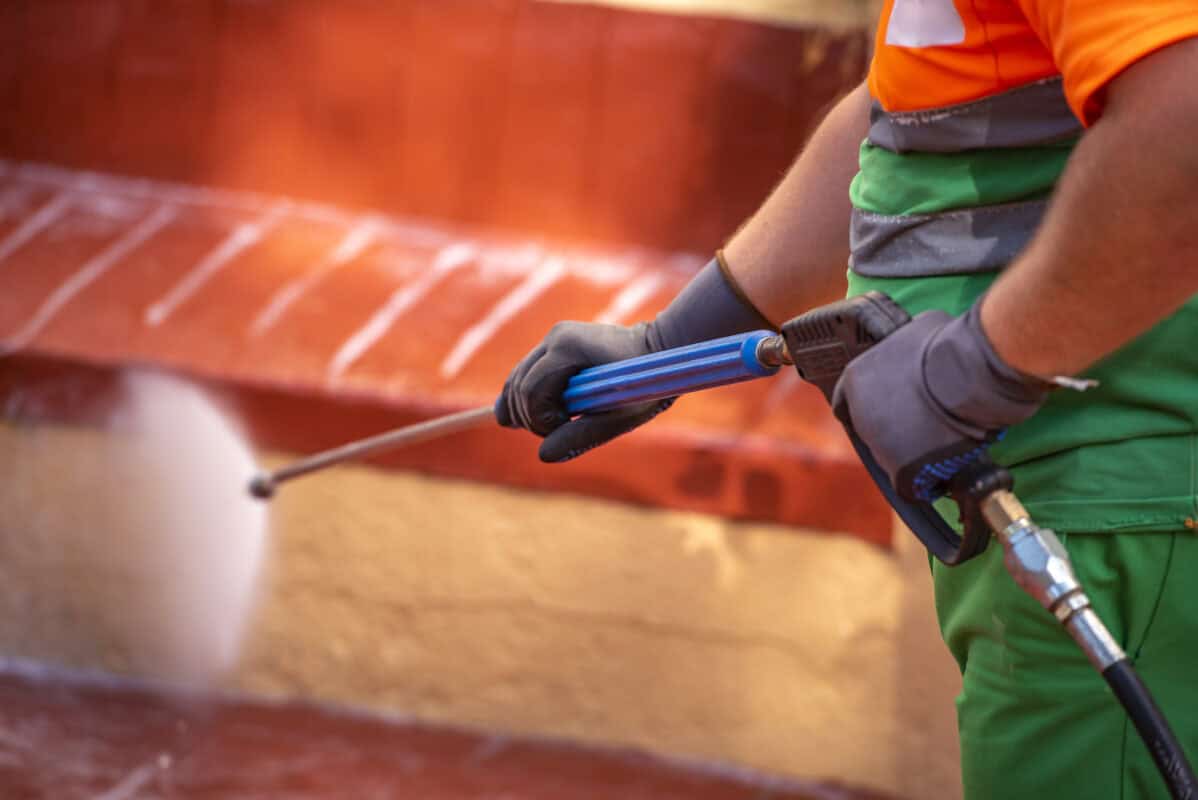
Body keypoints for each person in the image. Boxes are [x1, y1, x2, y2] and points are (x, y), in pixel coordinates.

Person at [496, 2, 1198, 797]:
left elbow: (1184, 125)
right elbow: (916, 109)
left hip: (1123, 512)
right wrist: (672, 345)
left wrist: (980, 367)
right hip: (1079, 503)